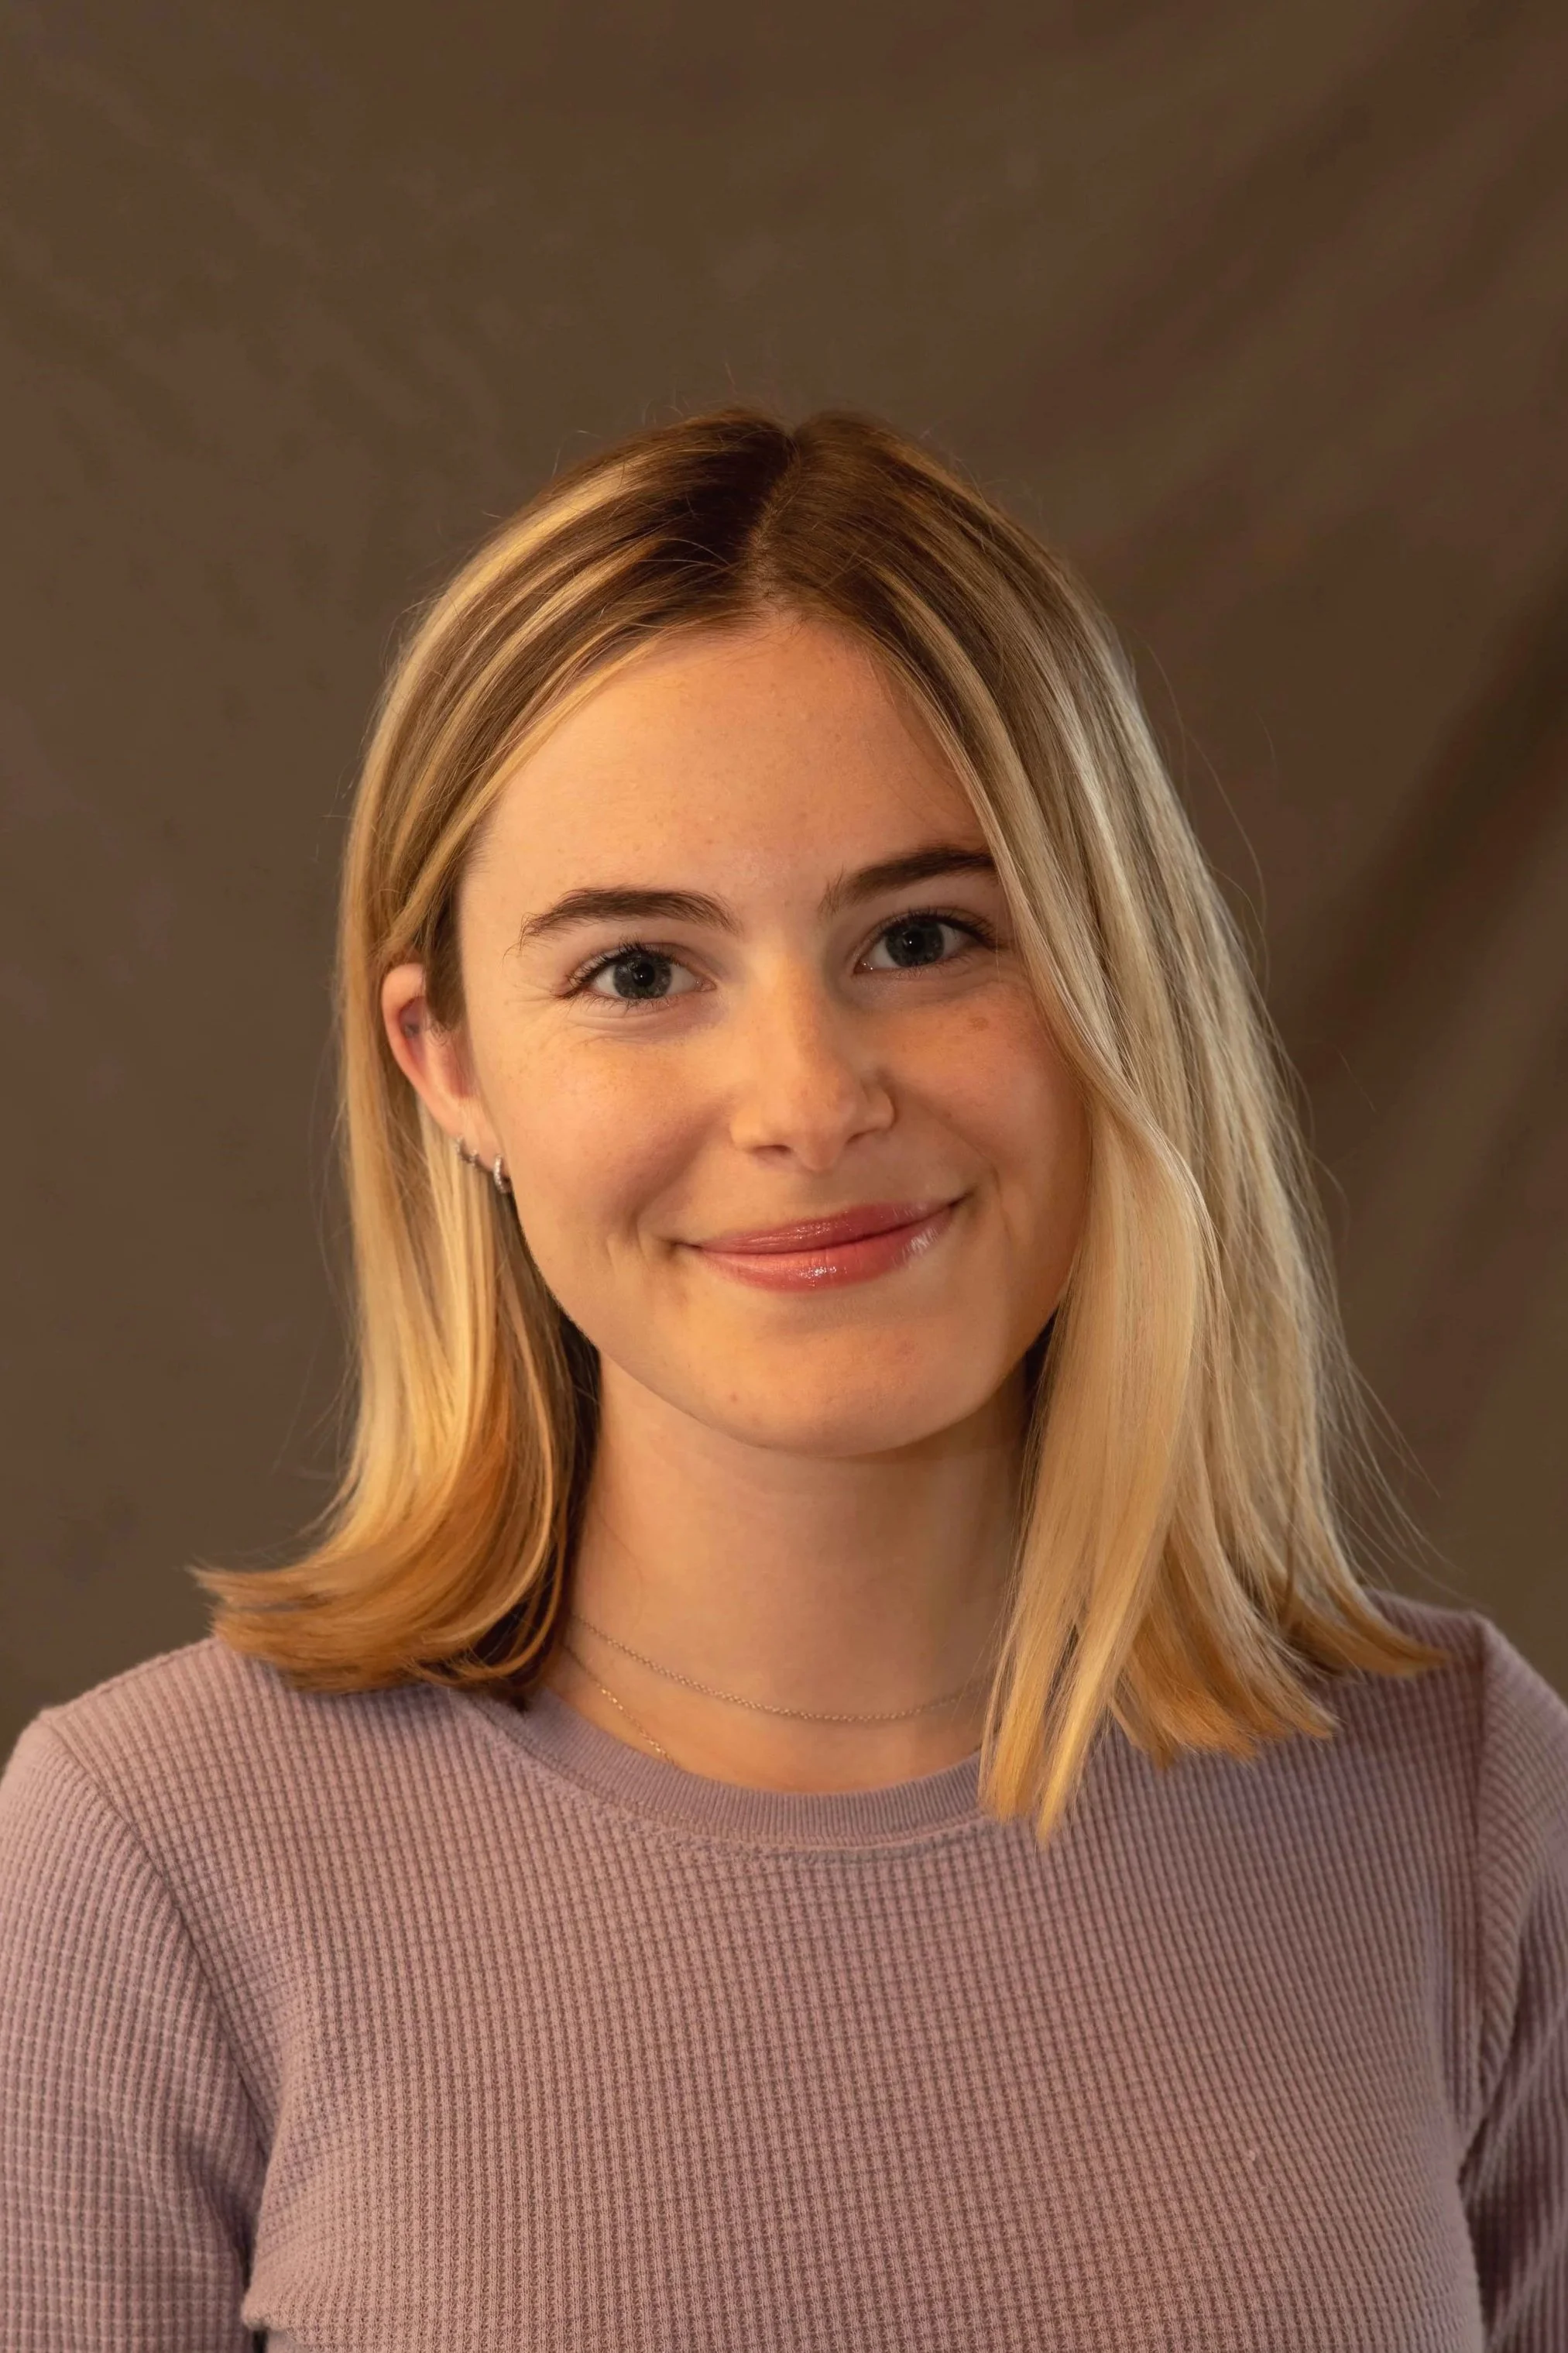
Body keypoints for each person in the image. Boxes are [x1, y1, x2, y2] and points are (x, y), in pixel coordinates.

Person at [1, 408, 1563, 2351]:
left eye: (924, 938)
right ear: (448, 1064)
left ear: (1113, 984)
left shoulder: (1471, 1802)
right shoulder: (152, 1864)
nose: (811, 1103)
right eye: (641, 974)